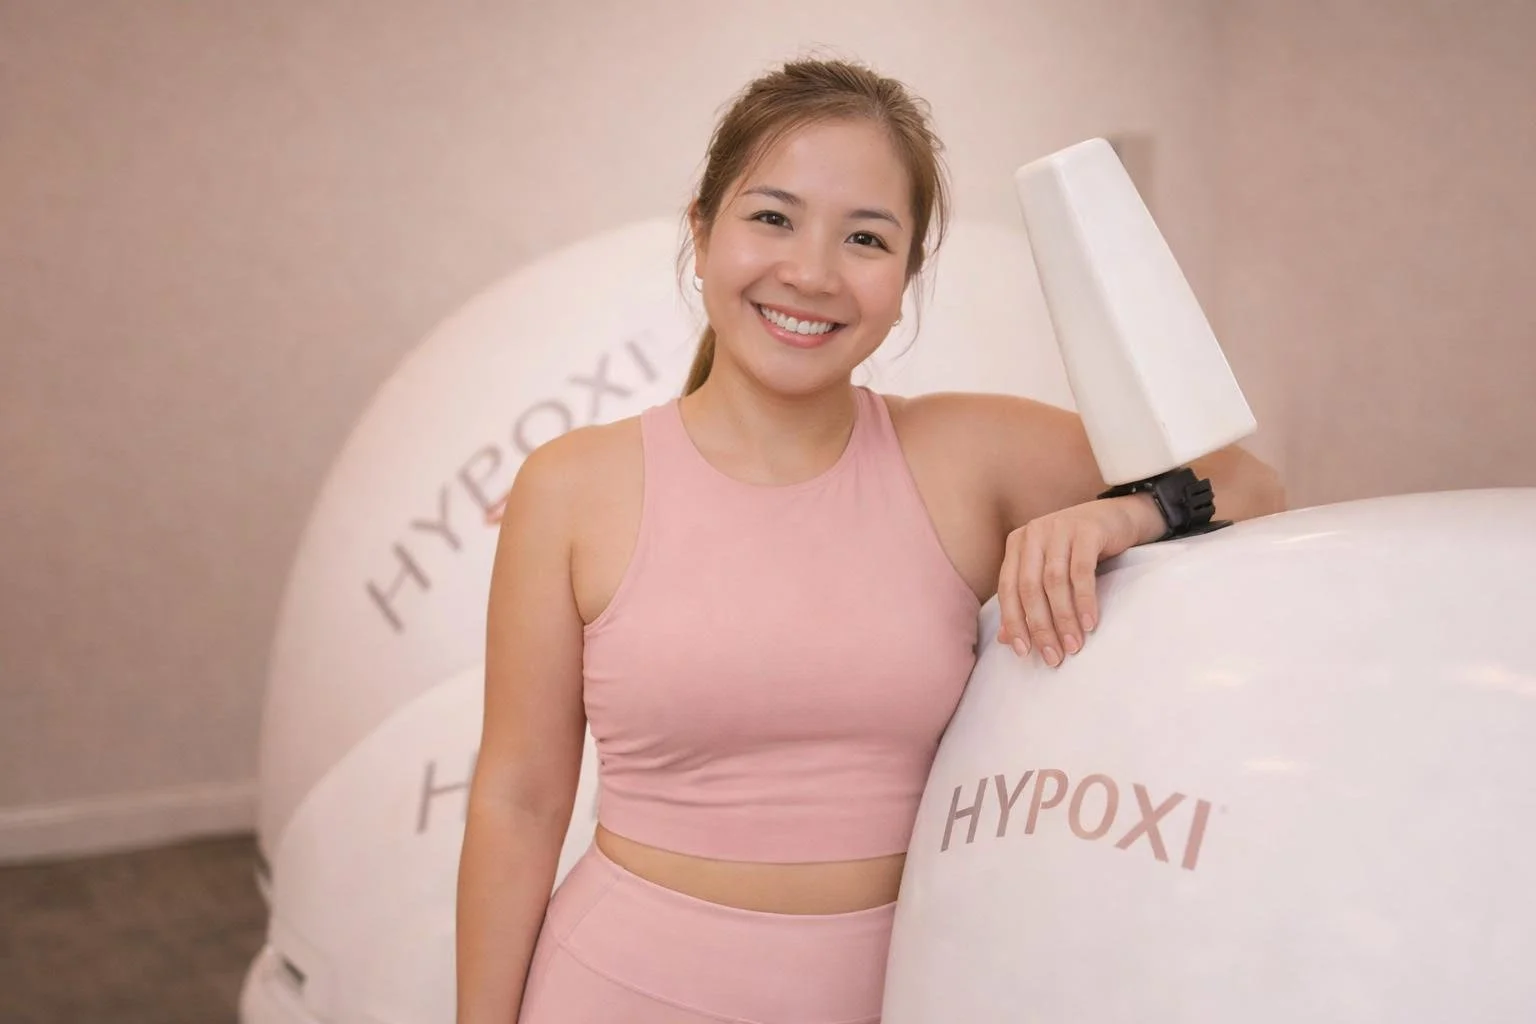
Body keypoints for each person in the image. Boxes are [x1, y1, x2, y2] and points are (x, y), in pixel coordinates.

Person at [456, 58, 1285, 1024]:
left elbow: (1256, 485)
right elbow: (516, 799)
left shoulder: (966, 454)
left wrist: (1124, 512)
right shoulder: (571, 485)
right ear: (701, 229)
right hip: (616, 988)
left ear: (906, 276)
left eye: (864, 237)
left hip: (897, 995)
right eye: (771, 217)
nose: (810, 272)